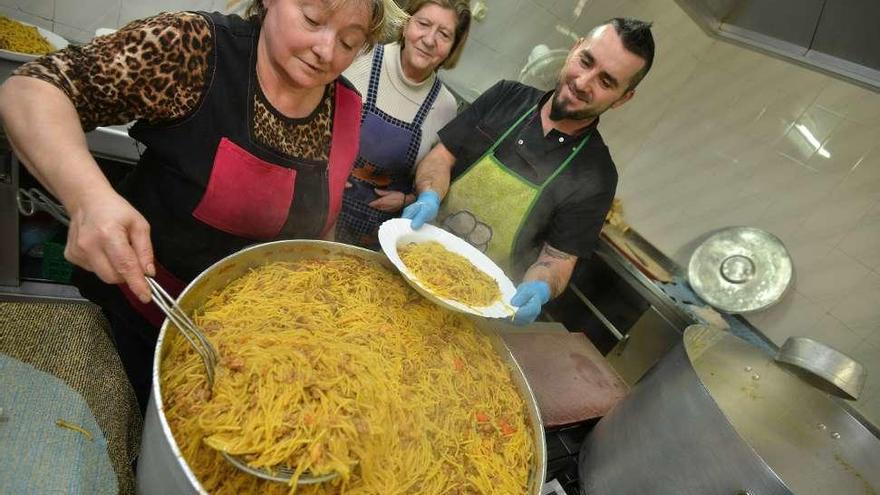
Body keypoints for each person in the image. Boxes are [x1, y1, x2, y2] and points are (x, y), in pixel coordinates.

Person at [0, 0, 403, 412]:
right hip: (125, 326)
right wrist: (89, 199)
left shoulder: (348, 111)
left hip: (239, 362)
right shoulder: (195, 48)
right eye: (312, 20)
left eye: (349, 42)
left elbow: (319, 233)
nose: (327, 50)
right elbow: (33, 89)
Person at [402, 18, 655, 325]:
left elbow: (557, 259)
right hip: (413, 255)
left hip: (477, 307)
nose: (583, 83)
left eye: (606, 81)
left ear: (624, 98)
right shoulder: (505, 97)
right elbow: (441, 157)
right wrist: (429, 194)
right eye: (586, 61)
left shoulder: (597, 176)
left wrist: (541, 286)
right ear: (575, 49)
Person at [334, 0, 470, 249]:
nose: (429, 40)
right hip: (320, 204)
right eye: (423, 24)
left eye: (444, 34)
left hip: (375, 233)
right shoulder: (359, 56)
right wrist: (324, 166)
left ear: (452, 48)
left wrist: (407, 199)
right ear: (406, 24)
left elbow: (432, 173)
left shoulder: (446, 106)